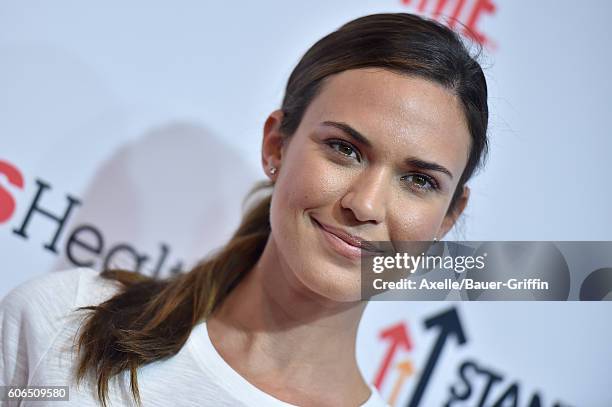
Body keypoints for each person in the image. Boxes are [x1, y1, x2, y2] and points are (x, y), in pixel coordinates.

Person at [0, 12, 488, 407]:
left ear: (447, 216)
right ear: (276, 145)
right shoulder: (62, 322)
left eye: (418, 181)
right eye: (344, 149)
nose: (364, 204)